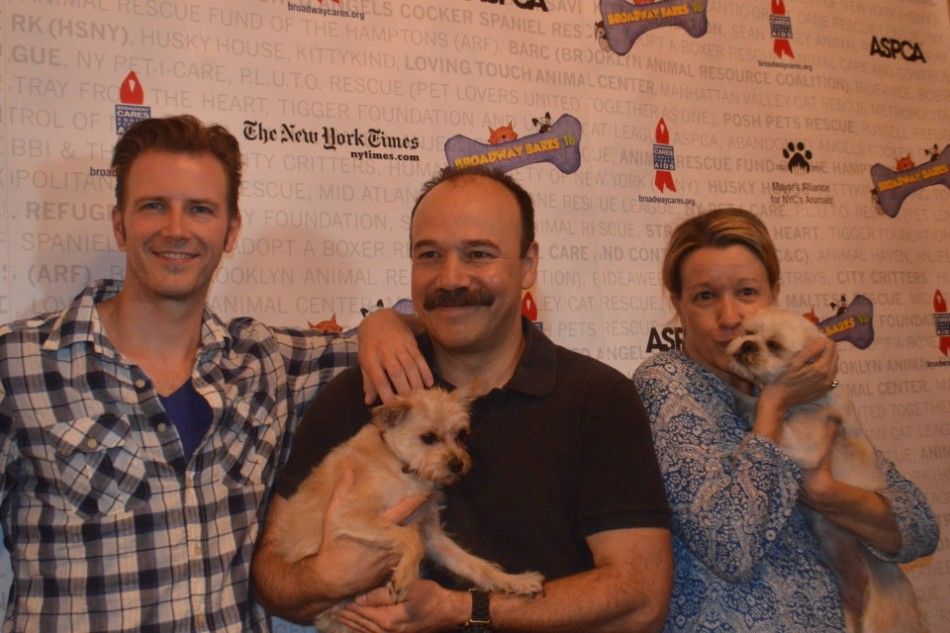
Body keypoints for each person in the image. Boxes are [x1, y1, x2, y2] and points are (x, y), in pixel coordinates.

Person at [0, 114, 428, 632]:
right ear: (119, 224)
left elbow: (440, 332)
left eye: (199, 209)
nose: (176, 229)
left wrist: (383, 322)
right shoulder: (19, 363)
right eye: (154, 206)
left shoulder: (263, 361)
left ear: (231, 230)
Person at [252, 166, 673, 632]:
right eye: (430, 255)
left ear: (528, 264)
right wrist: (320, 580)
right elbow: (272, 579)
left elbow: (641, 600)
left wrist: (464, 610)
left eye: (479, 254)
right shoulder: (364, 393)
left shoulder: (597, 398)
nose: (451, 277)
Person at [632, 208, 939, 632]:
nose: (729, 317)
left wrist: (827, 492)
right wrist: (775, 407)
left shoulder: (793, 381)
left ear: (774, 293)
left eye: (747, 292)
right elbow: (732, 545)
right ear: (677, 304)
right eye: (705, 296)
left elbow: (919, 527)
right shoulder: (668, 382)